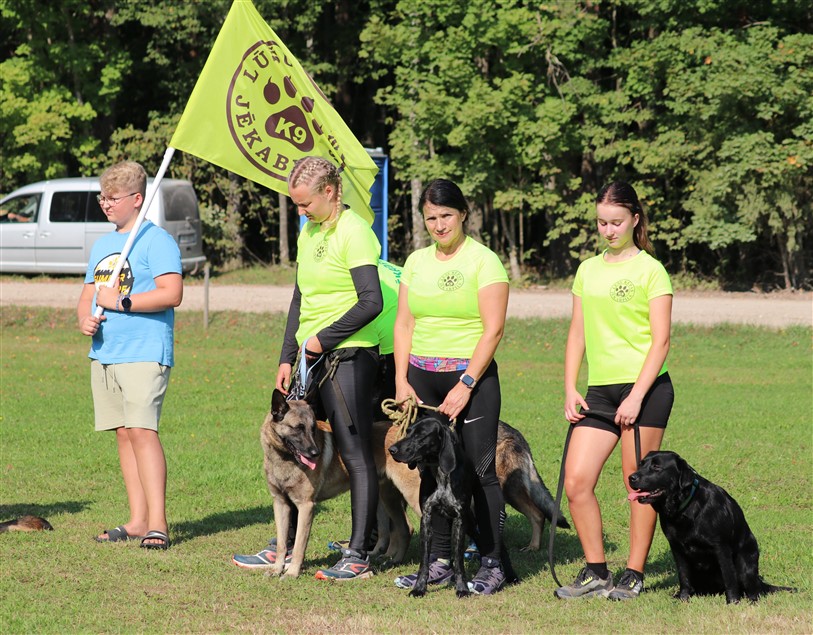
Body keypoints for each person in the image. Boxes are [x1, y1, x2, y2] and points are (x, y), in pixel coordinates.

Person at [235, 156, 383, 580]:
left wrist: (323, 339)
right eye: (296, 205)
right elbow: (300, 299)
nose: (300, 212)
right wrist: (288, 355)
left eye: (305, 204)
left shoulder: (355, 232)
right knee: (298, 442)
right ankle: (281, 547)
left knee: (354, 454)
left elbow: (371, 301)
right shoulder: (309, 231)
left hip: (349, 355)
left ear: (330, 192)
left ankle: (358, 554)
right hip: (310, 357)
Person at [555, 181, 674, 600]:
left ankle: (634, 573)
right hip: (600, 392)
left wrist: (637, 396)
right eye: (602, 222)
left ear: (635, 220)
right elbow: (577, 332)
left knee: (637, 485)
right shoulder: (587, 270)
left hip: (646, 390)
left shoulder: (651, 271)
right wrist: (570, 386)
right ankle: (596, 571)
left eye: (617, 222)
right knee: (576, 481)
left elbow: (661, 341)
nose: (608, 230)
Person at [392, 178, 510, 595]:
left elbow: (493, 330)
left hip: (471, 378)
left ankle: (493, 563)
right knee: (430, 469)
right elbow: (404, 323)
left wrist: (466, 383)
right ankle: (439, 561)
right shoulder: (415, 262)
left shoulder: (485, 262)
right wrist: (401, 379)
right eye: (431, 218)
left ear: (463, 214)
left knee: (480, 471)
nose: (439, 225)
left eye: (446, 215)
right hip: (422, 379)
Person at [77, 161, 183, 550]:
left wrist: (121, 301)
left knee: (142, 431)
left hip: (145, 350)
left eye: (113, 198)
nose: (105, 204)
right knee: (123, 434)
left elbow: (172, 293)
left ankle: (158, 524)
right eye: (102, 197)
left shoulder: (157, 241)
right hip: (106, 353)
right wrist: (84, 319)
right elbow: (88, 294)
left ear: (137, 199)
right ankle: (137, 521)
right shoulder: (103, 245)